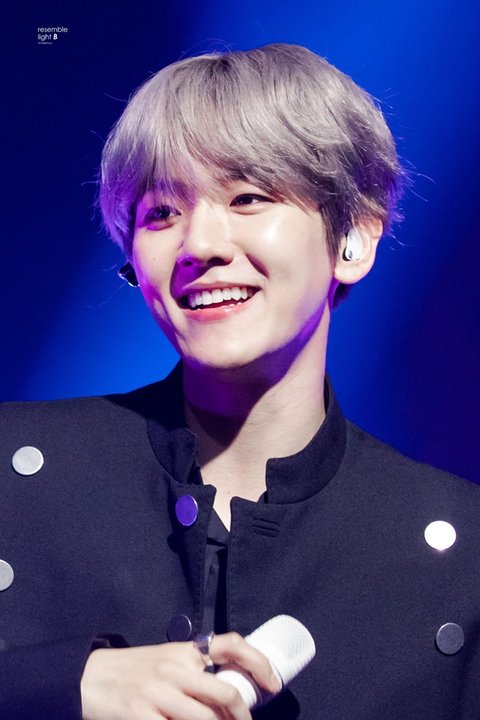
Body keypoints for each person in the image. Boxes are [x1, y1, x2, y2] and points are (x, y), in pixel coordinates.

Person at [1, 43, 479, 720]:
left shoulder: (459, 551)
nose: (199, 245)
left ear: (353, 239)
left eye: (248, 197)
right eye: (161, 213)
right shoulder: (14, 473)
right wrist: (69, 683)